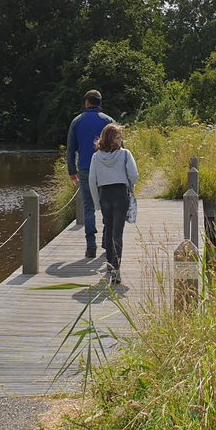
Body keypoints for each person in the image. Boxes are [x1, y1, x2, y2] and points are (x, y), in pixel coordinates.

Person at [88, 122, 138, 284]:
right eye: (119, 137)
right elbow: (134, 175)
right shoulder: (125, 154)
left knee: (109, 230)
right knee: (118, 233)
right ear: (114, 139)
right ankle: (116, 269)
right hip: (120, 194)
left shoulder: (96, 157)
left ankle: (110, 264)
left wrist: (96, 203)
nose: (121, 139)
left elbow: (92, 180)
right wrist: (130, 186)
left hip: (105, 195)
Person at [66, 89, 113, 259]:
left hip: (85, 168)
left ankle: (91, 246)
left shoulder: (76, 121)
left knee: (89, 208)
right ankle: (107, 241)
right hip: (106, 169)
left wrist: (72, 170)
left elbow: (71, 148)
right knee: (107, 205)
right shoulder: (108, 121)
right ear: (100, 103)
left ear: (87, 102)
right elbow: (118, 147)